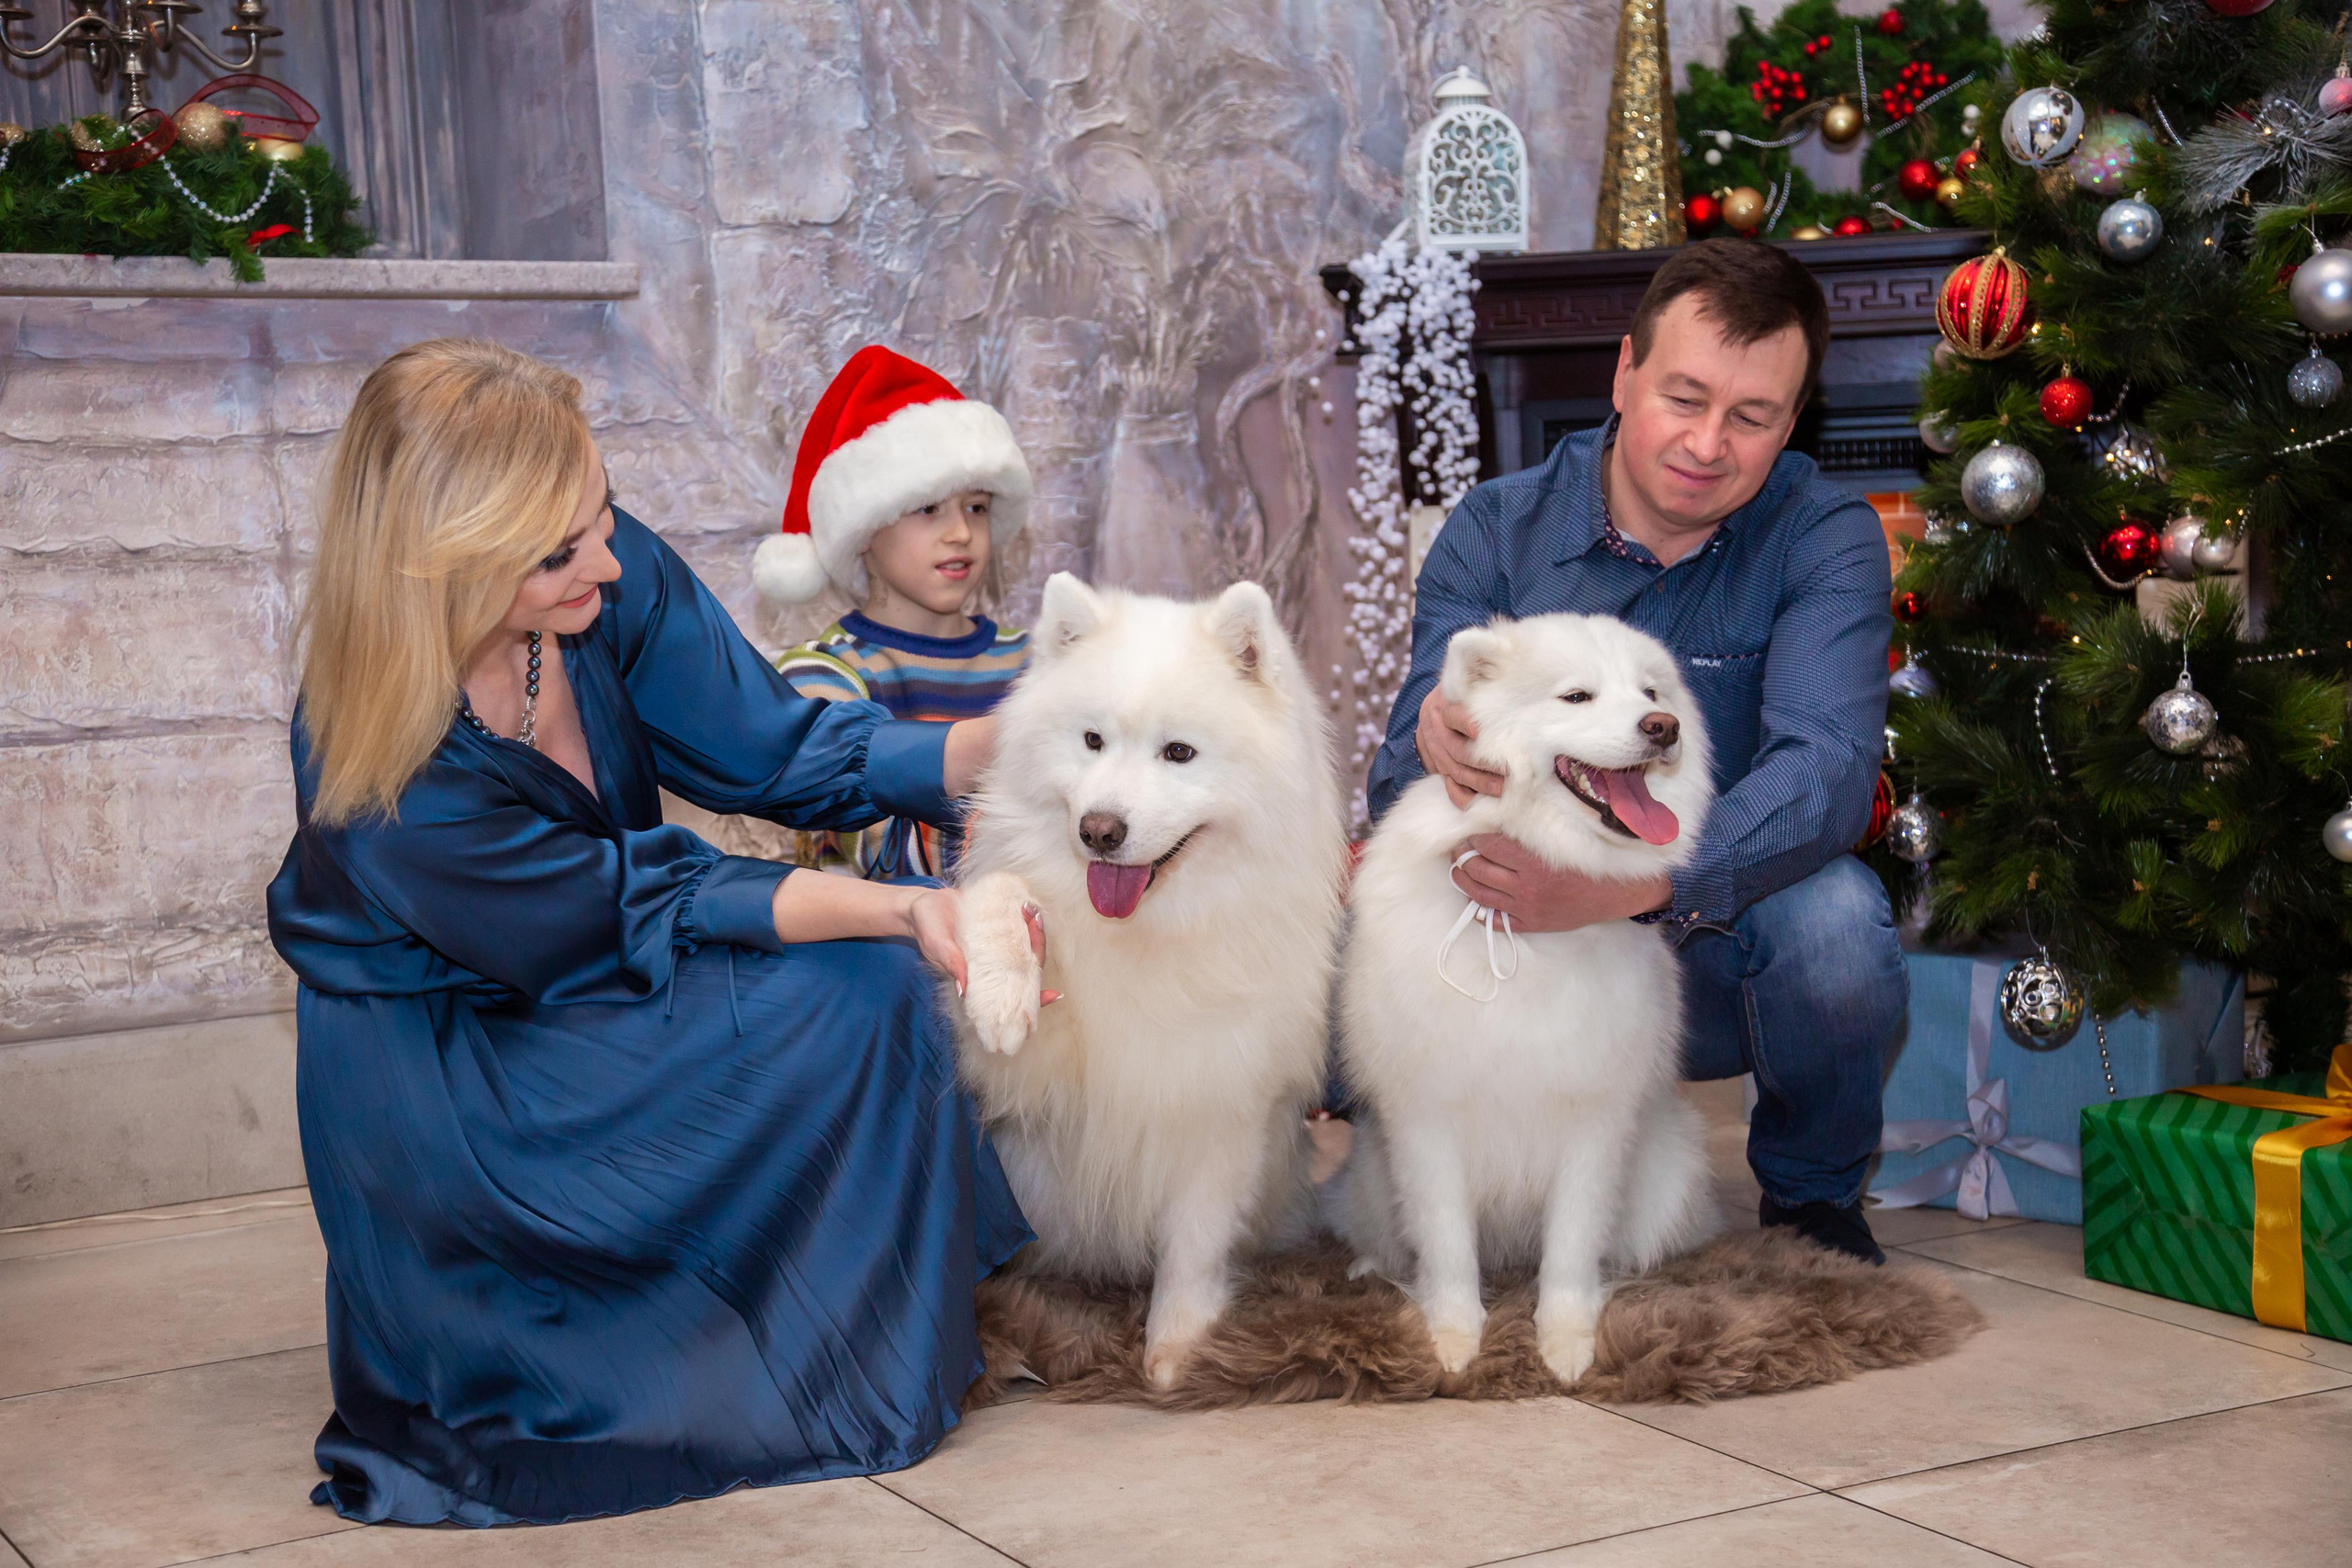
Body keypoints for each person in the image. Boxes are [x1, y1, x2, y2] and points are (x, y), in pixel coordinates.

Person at [266, 338, 1035, 1526]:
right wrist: (899, 904)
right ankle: (656, 1343)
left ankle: (865, 1311)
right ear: (449, 558)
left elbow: (770, 745)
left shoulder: (598, 581)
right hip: (455, 1090)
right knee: (875, 957)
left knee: (876, 990)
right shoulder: (380, 763)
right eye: (563, 548)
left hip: (604, 978)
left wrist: (984, 747)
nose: (610, 559)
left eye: (605, 512)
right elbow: (643, 894)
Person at [1366, 238, 1906, 1265]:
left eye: (1751, 417)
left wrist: (1634, 887)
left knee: (1837, 920)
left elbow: (1829, 773)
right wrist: (1436, 738)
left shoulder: (1821, 532)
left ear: (1791, 423)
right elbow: (1398, 779)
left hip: (1710, 954)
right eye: (1683, 397)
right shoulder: (1493, 529)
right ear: (1623, 374)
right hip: (1517, 942)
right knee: (1345, 926)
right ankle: (1436, 1184)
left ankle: (1809, 1203)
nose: (1707, 443)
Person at [754, 346, 1035, 880]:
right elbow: (859, 848)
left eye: (976, 506)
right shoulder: (823, 675)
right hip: (875, 948)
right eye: (928, 509)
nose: (961, 533)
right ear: (862, 532)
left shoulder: (1032, 660)